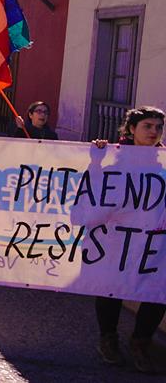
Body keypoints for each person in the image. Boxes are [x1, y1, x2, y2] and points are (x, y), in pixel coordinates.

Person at [92, 106, 165, 373]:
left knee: (158, 291)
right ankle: (108, 339)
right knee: (111, 287)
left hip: (154, 243)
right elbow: (95, 191)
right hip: (118, 239)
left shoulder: (164, 163)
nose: (154, 132)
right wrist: (96, 159)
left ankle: (140, 342)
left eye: (158, 127)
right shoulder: (115, 159)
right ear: (132, 129)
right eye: (148, 126)